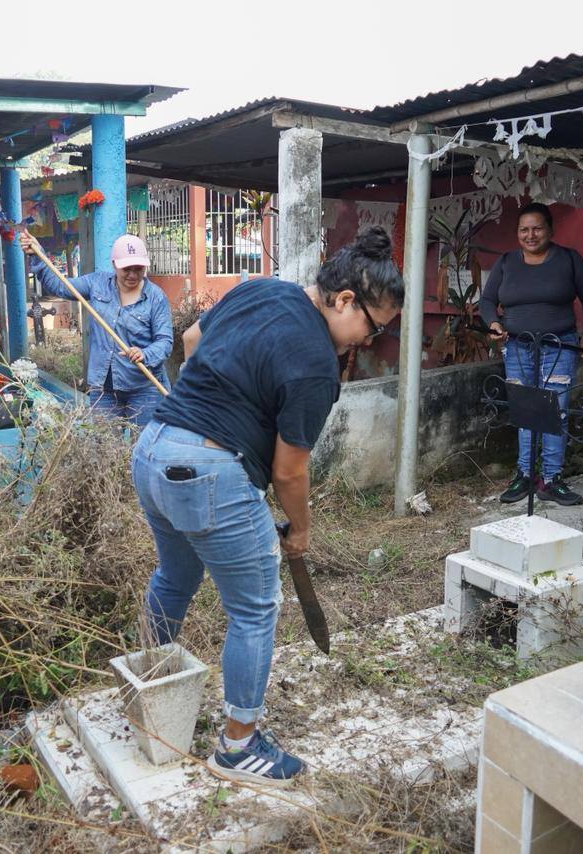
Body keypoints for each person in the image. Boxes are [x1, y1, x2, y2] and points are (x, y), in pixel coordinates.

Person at [131, 227, 404, 786]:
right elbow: (288, 470)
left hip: (154, 448)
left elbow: (189, 345)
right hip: (209, 471)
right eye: (373, 327)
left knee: (174, 578)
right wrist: (299, 530)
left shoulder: (261, 288)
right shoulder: (315, 364)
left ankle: (146, 690)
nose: (368, 341)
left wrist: (205, 404)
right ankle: (238, 746)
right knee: (255, 609)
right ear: (345, 300)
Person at [480, 202, 583, 507]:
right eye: (524, 229)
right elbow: (487, 300)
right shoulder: (507, 262)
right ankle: (524, 475)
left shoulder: (568, 260)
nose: (530, 235)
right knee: (525, 409)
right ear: (517, 233)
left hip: (559, 345)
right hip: (518, 348)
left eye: (537, 228)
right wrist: (493, 324)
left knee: (555, 409)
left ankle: (551, 479)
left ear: (550, 229)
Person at [19, 232, 172, 425]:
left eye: (138, 268)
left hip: (144, 388)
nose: (132, 275)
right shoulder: (96, 284)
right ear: (114, 264)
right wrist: (37, 255)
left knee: (144, 447)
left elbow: (165, 341)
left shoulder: (156, 297)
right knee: (103, 448)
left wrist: (145, 354)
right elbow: (59, 286)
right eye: (126, 269)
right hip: (104, 390)